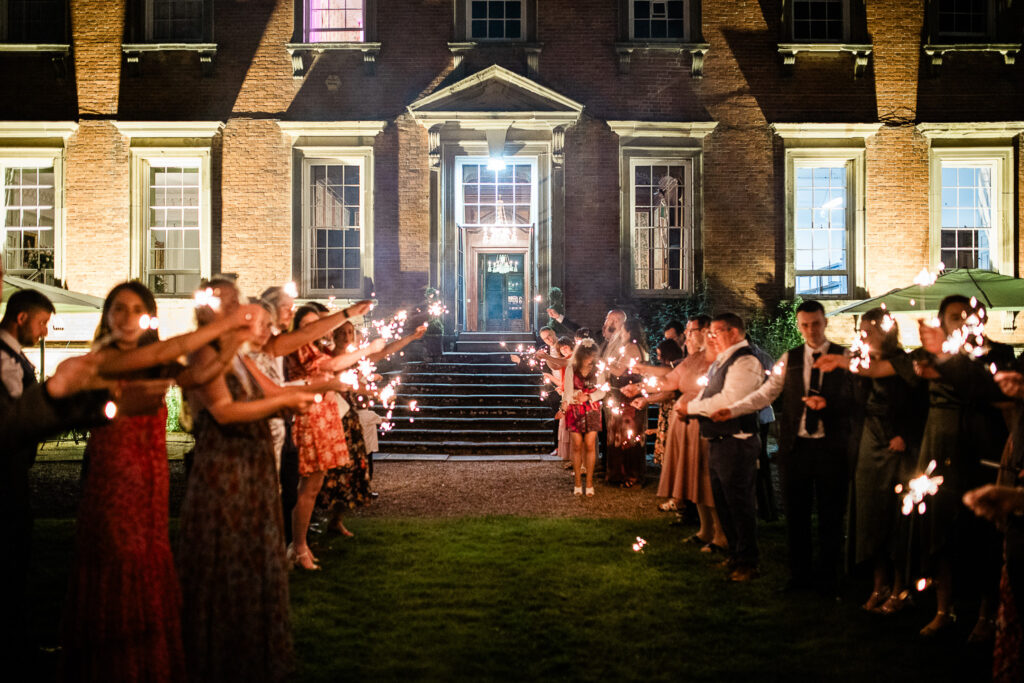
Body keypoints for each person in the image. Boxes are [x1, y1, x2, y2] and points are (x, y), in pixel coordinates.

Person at [60, 281, 264, 683]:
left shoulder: (157, 363)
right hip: (114, 481)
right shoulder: (102, 359)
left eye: (138, 309)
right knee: (121, 560)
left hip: (151, 479)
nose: (128, 317)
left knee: (149, 559)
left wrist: (231, 342)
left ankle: (148, 665)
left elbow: (198, 375)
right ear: (107, 316)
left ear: (148, 316)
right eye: (120, 308)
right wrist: (224, 325)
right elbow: (165, 349)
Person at [177, 279, 318, 683]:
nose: (237, 309)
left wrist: (304, 393)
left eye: (236, 302)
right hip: (226, 472)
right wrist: (285, 402)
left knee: (254, 561)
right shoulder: (204, 351)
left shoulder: (236, 353)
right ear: (206, 308)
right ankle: (220, 656)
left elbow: (269, 391)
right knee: (227, 561)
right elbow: (223, 410)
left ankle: (252, 654)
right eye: (227, 303)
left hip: (251, 469)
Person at [0, 290, 111, 669]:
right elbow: (22, 414)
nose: (46, 331)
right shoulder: (4, 359)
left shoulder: (14, 357)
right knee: (11, 554)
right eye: (42, 322)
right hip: (6, 472)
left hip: (16, 469)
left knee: (19, 553)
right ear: (21, 318)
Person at [712, 301, 852, 593]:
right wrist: (734, 409)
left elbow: (856, 397)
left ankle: (829, 578)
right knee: (796, 515)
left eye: (816, 324)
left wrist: (830, 404)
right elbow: (767, 392)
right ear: (799, 326)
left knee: (830, 514)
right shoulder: (791, 358)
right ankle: (799, 577)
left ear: (825, 322)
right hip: (796, 448)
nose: (811, 330)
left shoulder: (845, 357)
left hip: (831, 447)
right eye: (805, 325)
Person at [910, 295, 1014, 640]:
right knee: (939, 530)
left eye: (970, 315)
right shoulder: (927, 355)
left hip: (979, 449)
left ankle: (985, 614)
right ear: (942, 321)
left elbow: (991, 394)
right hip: (939, 447)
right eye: (955, 316)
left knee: (983, 533)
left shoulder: (997, 354)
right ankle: (944, 609)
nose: (964, 320)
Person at [816, 308, 928, 612]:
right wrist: (826, 403)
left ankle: (900, 587)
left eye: (869, 330)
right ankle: (879, 584)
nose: (863, 335)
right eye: (861, 330)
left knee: (895, 516)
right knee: (870, 514)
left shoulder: (902, 361)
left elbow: (918, 405)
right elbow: (853, 403)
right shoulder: (860, 362)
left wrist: (904, 434)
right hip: (868, 441)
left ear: (886, 331)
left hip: (897, 446)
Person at [286, 305, 385, 567]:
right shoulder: (301, 349)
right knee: (307, 488)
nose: (313, 329)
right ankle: (298, 546)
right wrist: (368, 349)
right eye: (307, 325)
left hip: (327, 416)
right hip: (312, 418)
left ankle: (301, 544)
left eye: (316, 324)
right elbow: (331, 365)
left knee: (313, 486)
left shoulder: (315, 348)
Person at [686, 313, 765, 581]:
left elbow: (728, 400)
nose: (711, 338)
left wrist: (691, 408)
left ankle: (748, 562)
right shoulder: (721, 361)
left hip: (738, 441)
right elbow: (707, 393)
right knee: (724, 503)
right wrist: (695, 405)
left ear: (733, 332)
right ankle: (734, 555)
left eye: (716, 332)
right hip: (719, 440)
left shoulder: (746, 362)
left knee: (739, 504)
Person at [604, 318, 649, 488]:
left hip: (627, 397)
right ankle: (629, 473)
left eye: (622, 330)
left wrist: (605, 364)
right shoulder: (640, 347)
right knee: (630, 434)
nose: (620, 333)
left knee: (626, 434)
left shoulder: (631, 347)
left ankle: (628, 474)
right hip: (630, 394)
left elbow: (618, 371)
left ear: (629, 332)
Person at [561, 338, 606, 496]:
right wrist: (567, 403)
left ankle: (590, 483)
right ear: (580, 356)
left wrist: (589, 397)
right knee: (577, 445)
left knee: (590, 444)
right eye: (587, 357)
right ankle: (578, 482)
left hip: (592, 409)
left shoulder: (598, 369)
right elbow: (567, 391)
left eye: (592, 356)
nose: (590, 360)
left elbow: (603, 390)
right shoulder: (571, 368)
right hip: (575, 410)